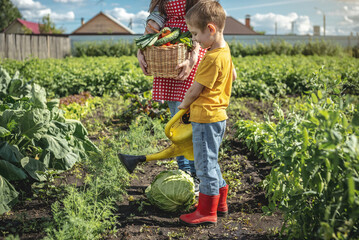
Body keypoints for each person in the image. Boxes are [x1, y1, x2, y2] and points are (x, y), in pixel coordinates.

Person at [137, 0, 206, 191]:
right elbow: (156, 19)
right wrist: (141, 49)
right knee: (176, 119)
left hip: (192, 47)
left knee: (191, 121)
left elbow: (202, 22)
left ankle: (198, 175)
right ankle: (183, 173)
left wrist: (193, 57)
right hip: (169, 53)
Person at [177, 0, 234, 226]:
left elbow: (194, 90)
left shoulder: (210, 58)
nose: (194, 40)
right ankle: (218, 203)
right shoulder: (224, 50)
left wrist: (182, 107)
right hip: (218, 116)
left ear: (210, 29)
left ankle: (206, 212)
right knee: (212, 161)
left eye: (195, 34)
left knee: (204, 166)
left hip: (204, 118)